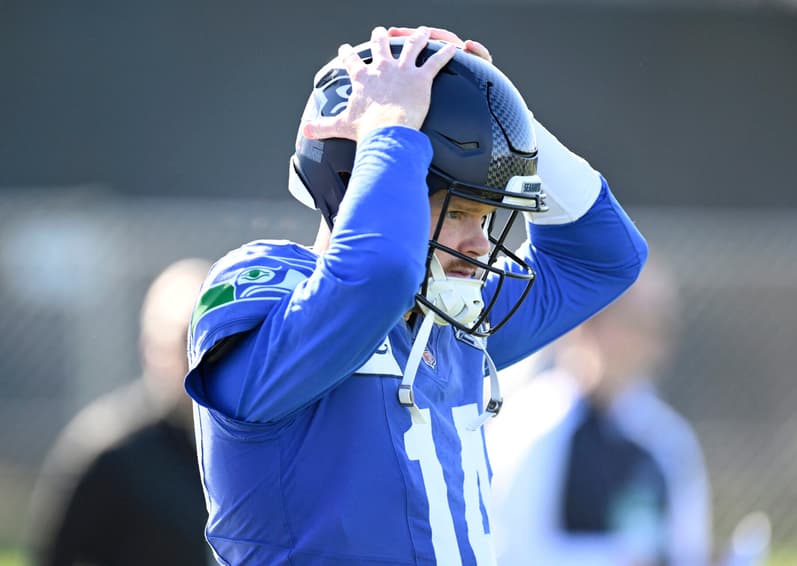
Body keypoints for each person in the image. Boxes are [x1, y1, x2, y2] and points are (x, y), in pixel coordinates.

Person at [185, 25, 648, 565]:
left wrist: (502, 118)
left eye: (487, 217)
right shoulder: (263, 283)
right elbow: (376, 276)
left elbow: (607, 256)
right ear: (355, 178)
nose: (481, 242)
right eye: (459, 213)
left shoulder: (441, 322)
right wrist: (391, 128)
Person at [488, 257, 711, 566]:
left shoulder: (667, 439)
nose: (652, 342)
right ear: (589, 324)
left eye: (660, 326)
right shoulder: (532, 426)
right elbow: (513, 553)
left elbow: (687, 548)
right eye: (635, 323)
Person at [27, 258, 212, 566]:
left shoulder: (265, 440)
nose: (199, 355)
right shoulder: (109, 448)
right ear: (149, 346)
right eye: (185, 339)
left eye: (213, 338)